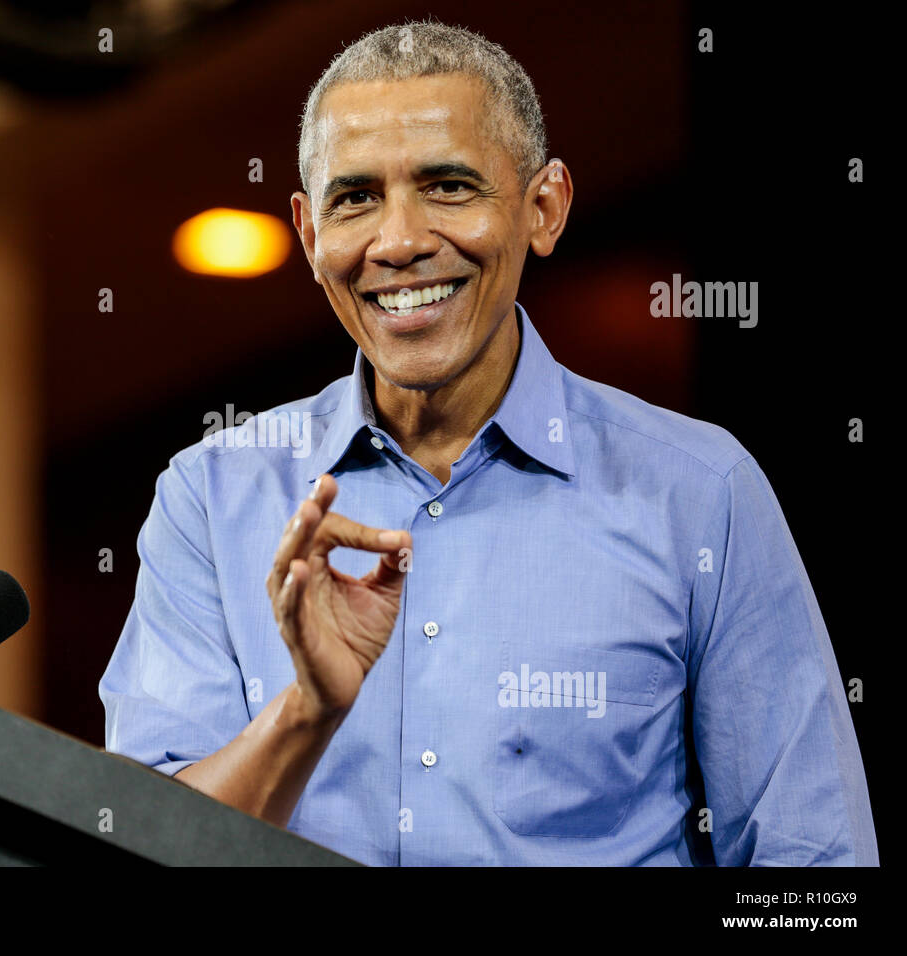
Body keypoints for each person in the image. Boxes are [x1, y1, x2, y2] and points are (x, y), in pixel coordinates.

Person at [98, 19, 877, 865]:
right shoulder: (209, 498)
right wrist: (307, 712)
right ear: (310, 233)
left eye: (448, 187)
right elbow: (136, 847)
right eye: (355, 197)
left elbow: (813, 869)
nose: (398, 242)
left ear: (544, 209)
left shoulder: (700, 492)